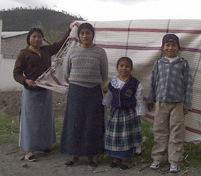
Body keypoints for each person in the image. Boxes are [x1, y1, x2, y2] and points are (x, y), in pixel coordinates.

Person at [13, 23, 73, 162]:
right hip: (30, 92)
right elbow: (16, 74)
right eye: (34, 36)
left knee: (45, 119)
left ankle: (45, 145)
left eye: (40, 37)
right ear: (29, 39)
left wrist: (70, 29)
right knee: (30, 121)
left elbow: (60, 44)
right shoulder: (23, 53)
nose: (37, 39)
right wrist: (25, 80)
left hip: (46, 90)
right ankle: (29, 150)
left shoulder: (46, 50)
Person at [60, 22, 108, 167]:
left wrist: (92, 82)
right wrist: (76, 82)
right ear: (79, 35)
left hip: (93, 92)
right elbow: (66, 72)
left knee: (93, 124)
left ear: (93, 35)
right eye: (82, 33)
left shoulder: (100, 52)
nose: (85, 36)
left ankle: (92, 156)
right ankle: (75, 156)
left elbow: (104, 74)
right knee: (75, 123)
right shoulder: (72, 51)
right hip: (76, 91)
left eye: (88, 33)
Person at [147, 34, 192, 173]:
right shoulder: (159, 63)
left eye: (173, 45)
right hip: (161, 102)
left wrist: (187, 104)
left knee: (176, 132)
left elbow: (188, 84)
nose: (170, 48)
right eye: (167, 45)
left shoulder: (183, 63)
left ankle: (174, 160)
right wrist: (150, 99)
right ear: (163, 47)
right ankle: (157, 158)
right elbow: (153, 82)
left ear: (178, 47)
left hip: (178, 103)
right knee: (160, 131)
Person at [102, 57, 146, 170]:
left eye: (127, 66)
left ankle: (127, 159)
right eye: (121, 66)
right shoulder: (113, 82)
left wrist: (139, 111)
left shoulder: (135, 84)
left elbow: (139, 99)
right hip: (115, 113)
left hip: (128, 114)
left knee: (127, 136)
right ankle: (116, 158)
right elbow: (110, 96)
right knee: (115, 136)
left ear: (131, 69)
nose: (124, 68)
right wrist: (106, 104)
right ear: (117, 68)